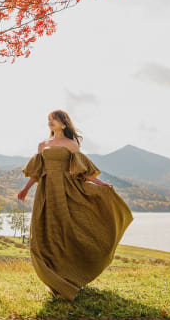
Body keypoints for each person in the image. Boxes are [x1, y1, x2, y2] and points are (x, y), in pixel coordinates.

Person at [17, 110, 132, 300]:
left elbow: (83, 171)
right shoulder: (42, 145)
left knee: (68, 233)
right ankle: (54, 280)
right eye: (48, 119)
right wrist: (25, 189)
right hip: (46, 192)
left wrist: (101, 184)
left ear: (63, 123)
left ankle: (69, 279)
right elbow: (37, 172)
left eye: (53, 119)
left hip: (66, 191)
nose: (50, 122)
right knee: (42, 235)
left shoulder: (71, 144)